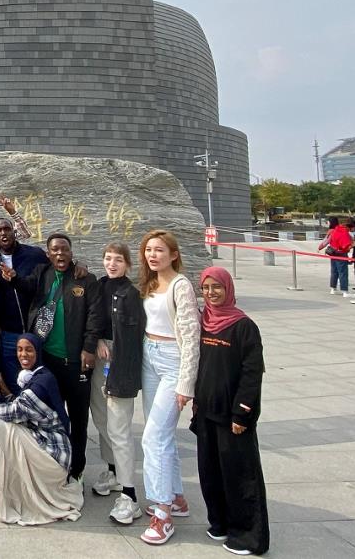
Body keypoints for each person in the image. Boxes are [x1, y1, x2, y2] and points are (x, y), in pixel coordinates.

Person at [0, 232, 104, 484]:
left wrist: (89, 347)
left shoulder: (85, 278)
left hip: (75, 362)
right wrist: (13, 278)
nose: (60, 254)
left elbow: (94, 316)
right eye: (55, 250)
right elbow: (25, 286)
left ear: (71, 252)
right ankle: (53, 465)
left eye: (64, 249)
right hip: (47, 362)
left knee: (78, 419)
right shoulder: (42, 273)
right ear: (48, 254)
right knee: (49, 415)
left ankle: (77, 469)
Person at [0, 333, 83, 525]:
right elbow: (25, 409)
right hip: (47, 450)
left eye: (29, 350)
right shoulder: (38, 376)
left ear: (38, 352)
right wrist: (6, 392)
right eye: (20, 350)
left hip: (52, 459)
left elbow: (16, 411)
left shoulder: (41, 383)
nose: (23, 354)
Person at [193, 267, 269, 556]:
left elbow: (252, 373)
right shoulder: (203, 321)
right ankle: (220, 523)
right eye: (206, 288)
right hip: (206, 411)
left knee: (239, 475)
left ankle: (248, 535)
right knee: (210, 472)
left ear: (228, 289)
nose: (211, 293)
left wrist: (242, 413)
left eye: (217, 287)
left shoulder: (243, 326)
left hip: (232, 416)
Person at [136, 229, 200, 546]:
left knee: (153, 437)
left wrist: (187, 383)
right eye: (149, 250)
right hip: (150, 357)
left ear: (174, 254)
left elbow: (191, 336)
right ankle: (175, 497)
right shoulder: (150, 283)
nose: (153, 255)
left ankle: (162, 513)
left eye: (159, 250)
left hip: (173, 360)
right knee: (161, 434)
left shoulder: (180, 285)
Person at [89, 242, 145, 525]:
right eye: (108, 258)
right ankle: (112, 471)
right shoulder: (99, 286)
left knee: (119, 428)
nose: (112, 264)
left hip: (120, 363)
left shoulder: (132, 294)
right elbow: (93, 320)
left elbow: (135, 337)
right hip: (100, 360)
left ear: (128, 264)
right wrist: (98, 340)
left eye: (118, 260)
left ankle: (130, 495)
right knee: (101, 420)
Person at [0, 217, 48, 392]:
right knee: (14, 380)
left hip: (35, 331)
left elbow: (56, 268)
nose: (3, 233)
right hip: (9, 332)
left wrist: (78, 265)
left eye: (6, 229)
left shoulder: (34, 254)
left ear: (14, 231)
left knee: (38, 379)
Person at [318, 216, 352, 296]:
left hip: (333, 253)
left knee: (334, 271)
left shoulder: (333, 231)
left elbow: (326, 241)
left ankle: (333, 289)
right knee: (343, 272)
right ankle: (344, 291)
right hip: (342, 253)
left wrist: (320, 247)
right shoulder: (343, 231)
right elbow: (348, 241)